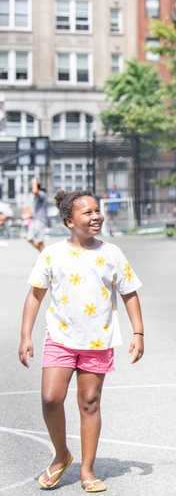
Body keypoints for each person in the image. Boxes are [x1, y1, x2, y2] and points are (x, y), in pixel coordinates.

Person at [18, 189, 145, 493]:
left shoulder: (111, 253)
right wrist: (25, 335)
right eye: (87, 212)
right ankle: (61, 454)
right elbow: (35, 295)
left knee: (89, 403)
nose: (96, 216)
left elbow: (129, 292)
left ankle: (87, 469)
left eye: (97, 210)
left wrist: (138, 332)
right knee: (51, 398)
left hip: (97, 341)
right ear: (68, 220)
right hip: (60, 338)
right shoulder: (52, 254)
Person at [27, 178, 48, 252]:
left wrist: (34, 181)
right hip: (34, 220)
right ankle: (44, 254)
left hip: (40, 220)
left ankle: (45, 256)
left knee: (40, 242)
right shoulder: (34, 196)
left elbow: (35, 191)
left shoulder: (42, 193)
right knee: (29, 239)